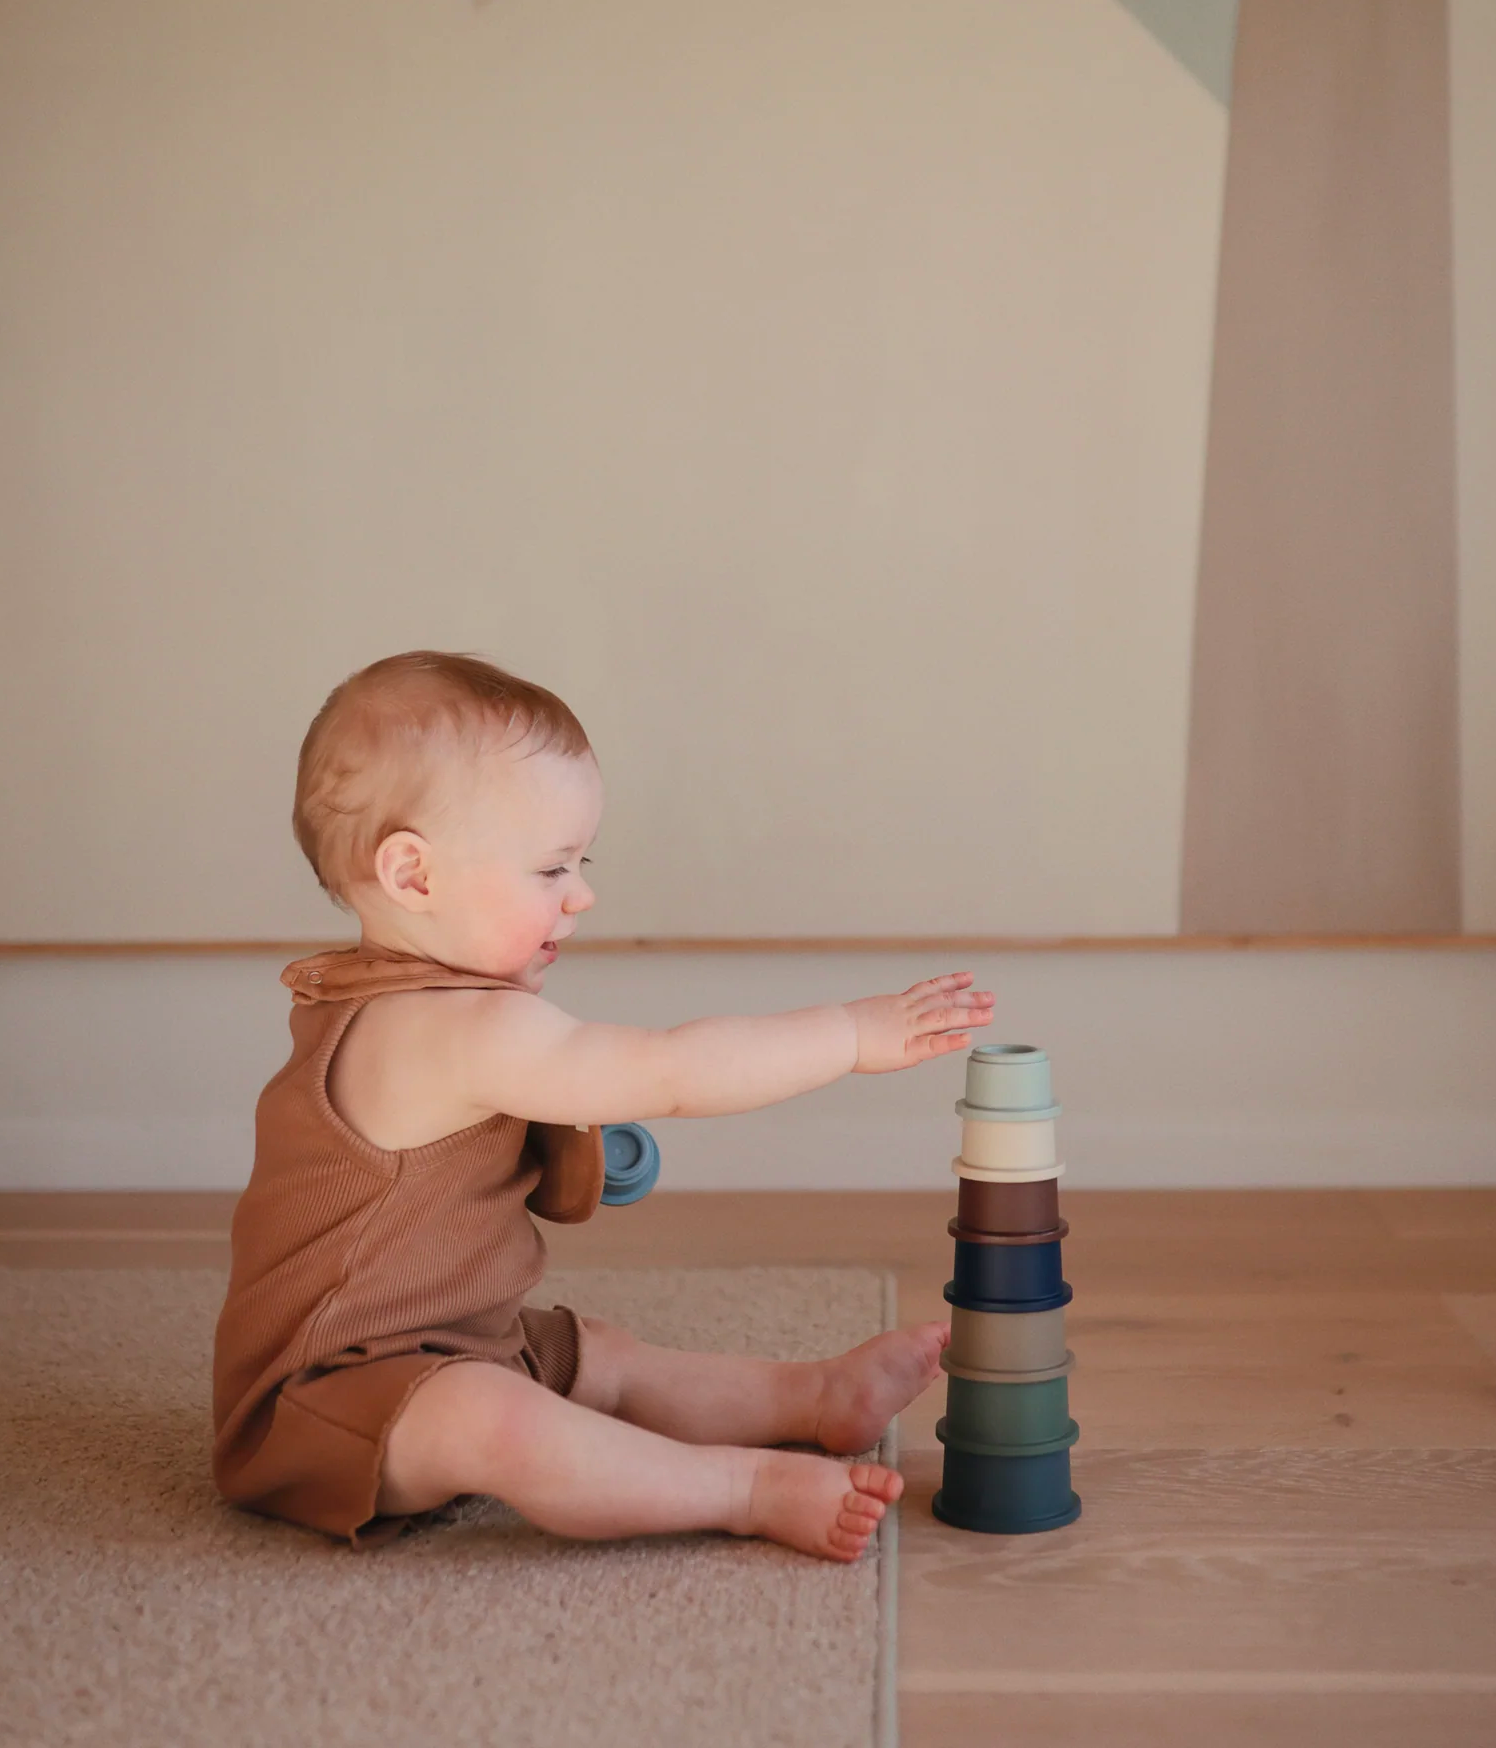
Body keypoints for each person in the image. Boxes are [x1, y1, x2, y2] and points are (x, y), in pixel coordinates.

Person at [212, 650, 993, 1559]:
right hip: (320, 1403)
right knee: (499, 1419)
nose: (583, 894)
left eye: (583, 860)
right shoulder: (441, 1031)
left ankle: (813, 1397)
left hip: (456, 1343)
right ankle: (741, 1487)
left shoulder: (421, 1002)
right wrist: (851, 1035)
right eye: (551, 869)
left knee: (603, 1359)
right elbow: (668, 1070)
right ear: (414, 876)